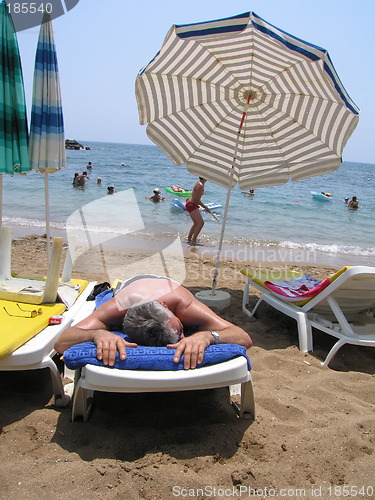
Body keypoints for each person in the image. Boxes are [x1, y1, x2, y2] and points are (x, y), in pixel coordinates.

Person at [54, 275, 252, 370]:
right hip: (130, 287)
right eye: (182, 331)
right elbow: (61, 343)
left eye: (180, 329)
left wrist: (208, 336)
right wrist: (97, 334)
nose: (183, 336)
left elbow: (243, 337)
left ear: (166, 306)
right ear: (122, 322)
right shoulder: (118, 308)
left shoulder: (184, 305)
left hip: (166, 282)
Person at [186, 177, 213, 244]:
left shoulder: (199, 183)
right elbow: (196, 199)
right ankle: (193, 240)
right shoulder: (200, 185)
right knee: (201, 223)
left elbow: (195, 198)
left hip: (192, 204)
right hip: (191, 204)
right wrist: (205, 207)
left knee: (196, 223)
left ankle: (189, 239)